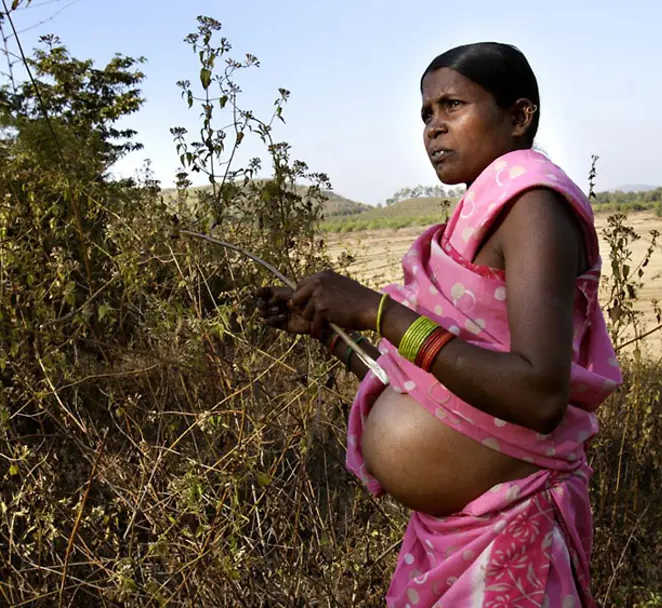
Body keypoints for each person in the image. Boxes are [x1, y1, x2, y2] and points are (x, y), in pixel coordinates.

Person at [256, 42, 621, 608]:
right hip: (453, 538)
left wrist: (377, 312)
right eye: (426, 113)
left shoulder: (533, 207)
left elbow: (538, 394)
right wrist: (332, 332)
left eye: (453, 105)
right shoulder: (477, 219)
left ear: (519, 116)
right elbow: (433, 386)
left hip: (510, 535)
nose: (433, 127)